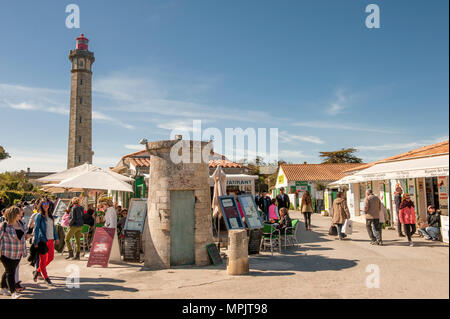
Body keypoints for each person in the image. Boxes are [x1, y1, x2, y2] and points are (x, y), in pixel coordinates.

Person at [0, 206, 28, 299]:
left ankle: (3, 287)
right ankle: (13, 293)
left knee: (9, 271)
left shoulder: (20, 224)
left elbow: (22, 237)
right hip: (6, 253)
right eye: (19, 213)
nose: (21, 214)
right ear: (14, 214)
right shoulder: (4, 226)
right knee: (11, 272)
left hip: (18, 253)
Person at [32, 198, 59, 285]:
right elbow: (36, 229)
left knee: (51, 258)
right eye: (43, 204)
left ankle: (38, 271)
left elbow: (53, 228)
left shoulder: (50, 215)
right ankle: (46, 278)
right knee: (43, 260)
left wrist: (56, 237)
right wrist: (36, 241)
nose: (46, 205)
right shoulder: (39, 216)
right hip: (43, 240)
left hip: (50, 240)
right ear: (41, 205)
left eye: (47, 203)